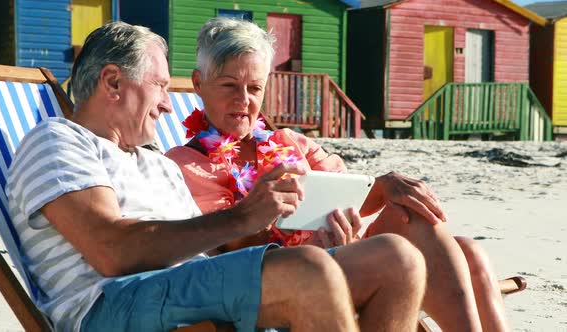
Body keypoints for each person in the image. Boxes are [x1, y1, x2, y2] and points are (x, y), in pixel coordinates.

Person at [6, 21, 428, 332]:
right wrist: (246, 216)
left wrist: (303, 240)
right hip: (112, 304)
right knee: (308, 271)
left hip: (185, 289)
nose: (169, 106)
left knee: (396, 260)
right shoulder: (59, 140)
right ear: (113, 81)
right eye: (160, 87)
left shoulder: (157, 164)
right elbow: (111, 251)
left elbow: (209, 260)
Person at [166, 17, 510, 332]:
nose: (243, 99)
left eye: (254, 88)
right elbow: (231, 247)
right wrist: (310, 243)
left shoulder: (289, 141)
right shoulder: (187, 163)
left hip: (339, 254)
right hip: (276, 280)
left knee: (451, 241)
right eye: (229, 85)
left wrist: (386, 186)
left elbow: (351, 196)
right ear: (199, 82)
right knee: (427, 248)